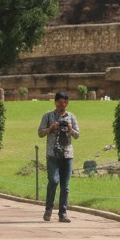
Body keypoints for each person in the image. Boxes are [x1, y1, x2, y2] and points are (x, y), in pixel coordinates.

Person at [38, 91, 80, 222]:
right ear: (55, 102)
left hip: (67, 154)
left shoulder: (71, 117)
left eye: (65, 102)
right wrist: (50, 128)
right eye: (60, 102)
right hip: (52, 154)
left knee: (65, 186)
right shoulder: (48, 116)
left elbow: (77, 135)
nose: (63, 105)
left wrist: (70, 129)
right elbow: (40, 133)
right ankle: (48, 210)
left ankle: (63, 213)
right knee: (53, 180)